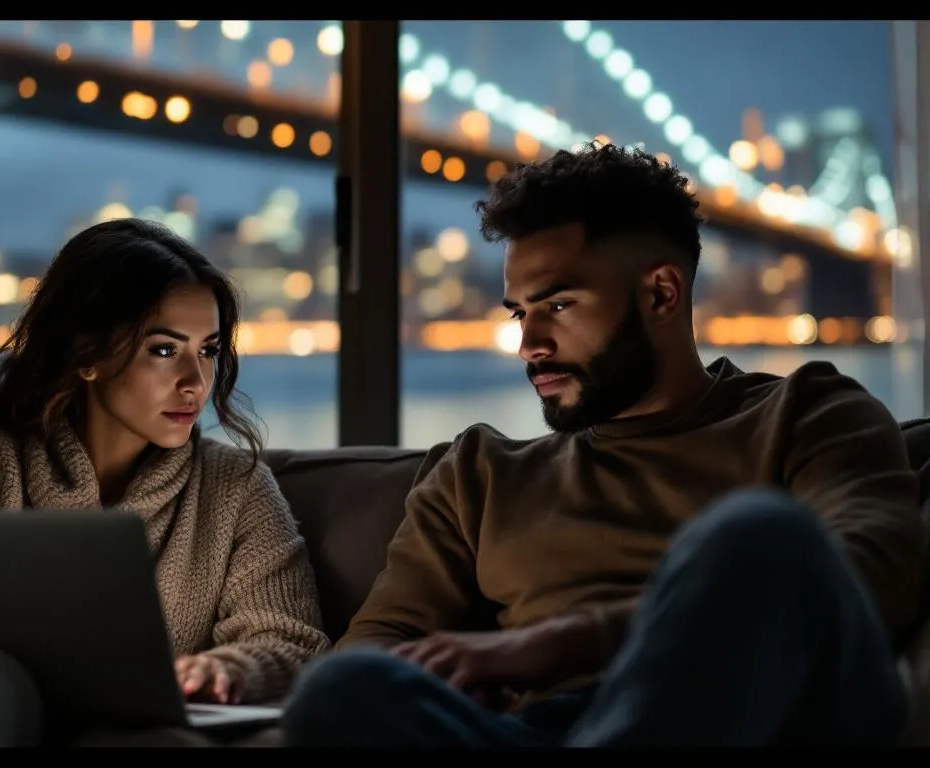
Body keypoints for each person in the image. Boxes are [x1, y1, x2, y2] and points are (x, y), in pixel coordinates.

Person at [279, 142, 925, 747]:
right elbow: (377, 646)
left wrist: (560, 643)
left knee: (758, 533)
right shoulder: (479, 474)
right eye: (519, 313)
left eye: (558, 306)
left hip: (743, 717)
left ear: (661, 293)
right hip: (543, 734)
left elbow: (875, 576)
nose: (529, 344)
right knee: (342, 687)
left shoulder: (808, 412)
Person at [0, 217, 329, 746]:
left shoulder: (236, 487)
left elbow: (295, 643)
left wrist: (229, 669)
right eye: (164, 350)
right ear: (87, 356)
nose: (195, 382)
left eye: (208, 350)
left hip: (129, 737)